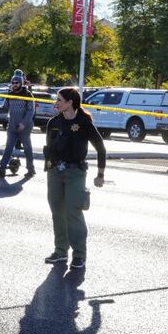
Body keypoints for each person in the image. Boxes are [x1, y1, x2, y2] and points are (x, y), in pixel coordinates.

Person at [43, 87, 106, 270]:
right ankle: (60, 251)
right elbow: (49, 148)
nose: (56, 102)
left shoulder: (84, 122)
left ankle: (79, 255)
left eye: (59, 100)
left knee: (73, 212)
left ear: (70, 102)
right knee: (57, 211)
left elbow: (101, 148)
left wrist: (100, 174)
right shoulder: (53, 122)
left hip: (75, 172)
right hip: (55, 171)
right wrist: (49, 167)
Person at [0, 69, 36, 178]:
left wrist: (23, 124)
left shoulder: (27, 94)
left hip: (25, 126)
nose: (14, 85)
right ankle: (2, 168)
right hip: (12, 126)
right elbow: (5, 108)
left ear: (21, 83)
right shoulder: (9, 94)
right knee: (8, 147)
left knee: (27, 147)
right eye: (13, 83)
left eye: (16, 83)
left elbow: (30, 111)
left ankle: (31, 169)